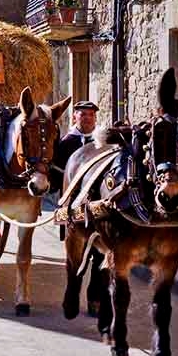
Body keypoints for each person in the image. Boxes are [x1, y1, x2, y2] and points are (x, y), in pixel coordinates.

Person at [51, 100, 105, 317]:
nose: (87, 118)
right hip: (75, 209)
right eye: (83, 115)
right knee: (76, 257)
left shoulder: (103, 142)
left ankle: (95, 298)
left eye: (91, 115)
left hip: (100, 209)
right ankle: (72, 293)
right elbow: (56, 174)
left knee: (100, 259)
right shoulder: (66, 144)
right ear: (75, 118)